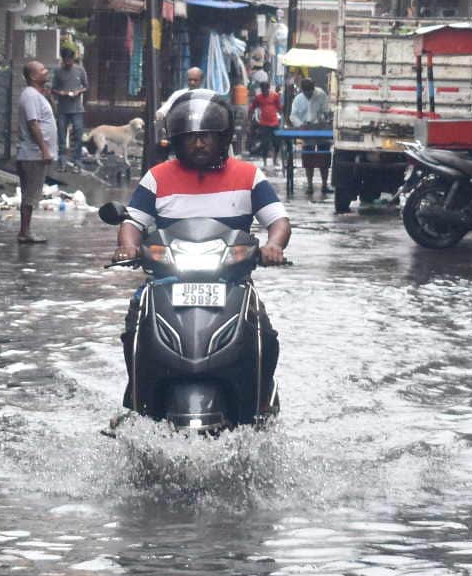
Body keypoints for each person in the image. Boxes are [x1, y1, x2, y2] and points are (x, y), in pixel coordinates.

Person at [112, 94, 291, 407]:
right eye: (190, 139)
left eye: (205, 137)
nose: (198, 145)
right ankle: (136, 400)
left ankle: (260, 400)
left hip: (232, 282)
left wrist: (273, 246)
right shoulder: (157, 177)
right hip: (166, 281)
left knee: (266, 336)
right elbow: (132, 222)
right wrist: (127, 246)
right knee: (134, 329)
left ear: (221, 139)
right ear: (177, 142)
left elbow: (278, 221)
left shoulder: (248, 176)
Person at [15, 60, 58, 243]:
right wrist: (44, 149)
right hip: (32, 154)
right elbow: (33, 124)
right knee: (30, 195)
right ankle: (25, 232)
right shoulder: (30, 95)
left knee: (32, 194)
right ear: (33, 76)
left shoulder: (38, 95)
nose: (46, 71)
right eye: (42, 70)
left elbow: (51, 115)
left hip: (35, 154)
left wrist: (48, 97)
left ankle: (26, 231)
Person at [288, 76, 332, 195]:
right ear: (302, 91)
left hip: (320, 130)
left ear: (313, 89)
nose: (308, 95)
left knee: (324, 157)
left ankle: (324, 184)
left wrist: (322, 120)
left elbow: (326, 111)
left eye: (310, 92)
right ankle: (310, 185)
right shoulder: (298, 99)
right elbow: (293, 116)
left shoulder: (321, 95)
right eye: (306, 92)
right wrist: (300, 124)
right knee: (308, 158)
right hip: (306, 131)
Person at [51, 45, 89, 167]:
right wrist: (61, 93)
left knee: (78, 134)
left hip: (77, 108)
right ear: (63, 59)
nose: (68, 62)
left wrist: (78, 92)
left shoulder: (80, 70)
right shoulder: (58, 71)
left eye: (70, 60)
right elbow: (53, 89)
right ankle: (62, 160)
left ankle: (77, 160)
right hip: (63, 109)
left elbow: (86, 86)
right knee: (61, 135)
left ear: (73, 59)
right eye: (65, 59)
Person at [251, 80, 283, 166]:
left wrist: (280, 118)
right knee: (264, 143)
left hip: (274, 123)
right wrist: (249, 119)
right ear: (261, 89)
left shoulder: (275, 96)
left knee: (277, 143)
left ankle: (275, 160)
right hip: (264, 124)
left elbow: (279, 108)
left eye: (266, 89)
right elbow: (252, 108)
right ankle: (265, 162)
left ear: (268, 88)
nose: (264, 91)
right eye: (263, 89)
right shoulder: (258, 98)